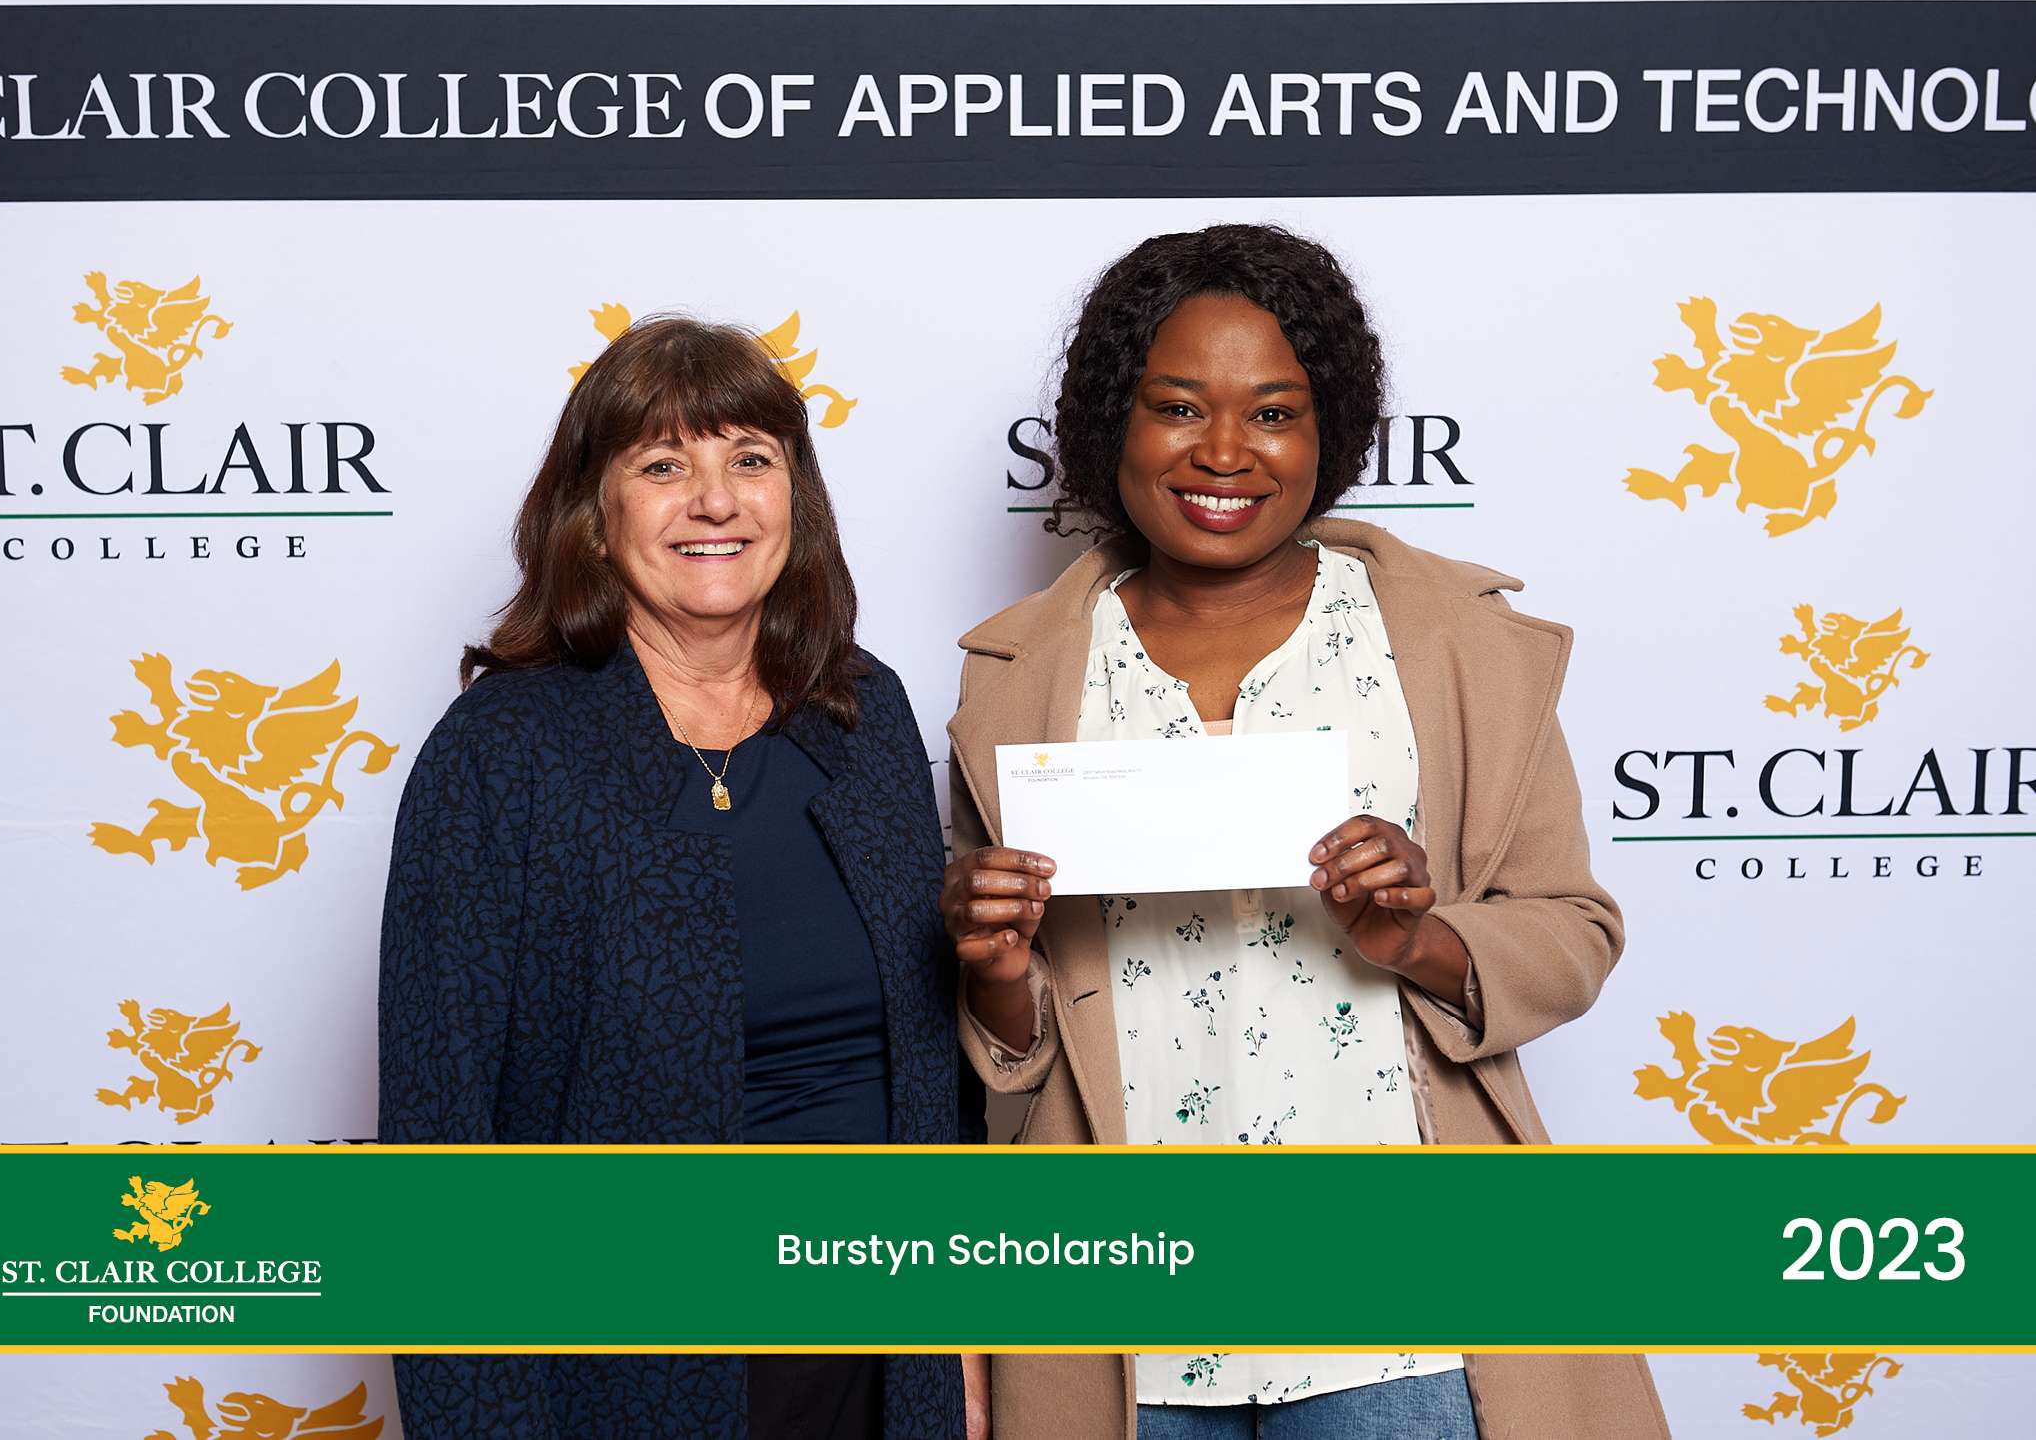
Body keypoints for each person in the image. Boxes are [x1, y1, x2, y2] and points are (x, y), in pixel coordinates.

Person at [942, 225, 1670, 1440]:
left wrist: (1418, 938)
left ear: (1329, 429)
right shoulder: (1016, 677)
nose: (1225, 452)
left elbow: (1574, 931)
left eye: (1274, 412)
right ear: (1113, 423)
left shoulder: (1454, 645)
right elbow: (1009, 1054)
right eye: (1178, 407)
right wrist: (994, 972)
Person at [379, 315, 981, 1439]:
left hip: (873, 1346)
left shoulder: (864, 714)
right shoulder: (501, 751)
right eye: (663, 467)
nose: (715, 502)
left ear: (794, 498)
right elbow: (436, 1141)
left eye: (750, 460)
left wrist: (955, 1344)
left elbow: (927, 1075)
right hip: (621, 1363)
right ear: (594, 517)